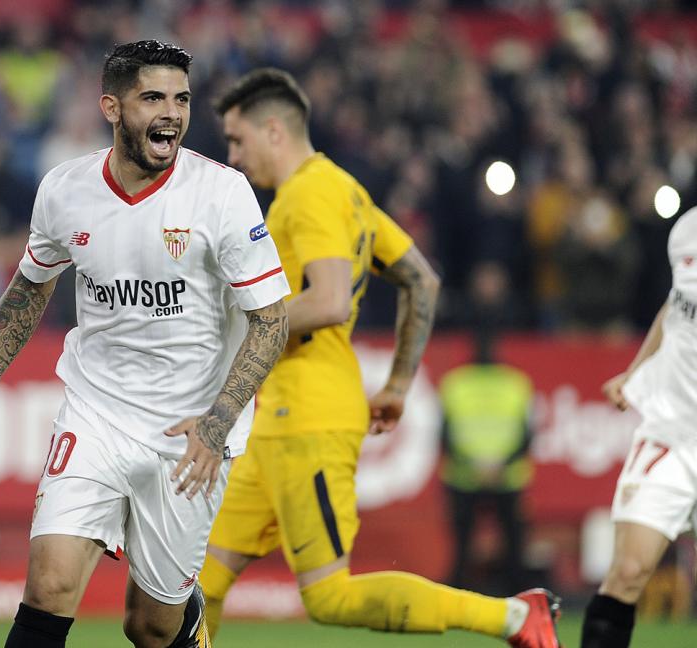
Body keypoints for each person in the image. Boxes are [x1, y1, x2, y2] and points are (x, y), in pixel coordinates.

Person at [0, 40, 290, 648]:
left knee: (149, 628)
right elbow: (30, 287)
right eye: (153, 98)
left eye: (181, 99)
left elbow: (271, 321)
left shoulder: (222, 193)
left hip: (190, 434)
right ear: (112, 108)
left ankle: (185, 615)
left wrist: (219, 420)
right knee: (49, 586)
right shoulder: (64, 189)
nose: (171, 113)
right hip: (96, 413)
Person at [199, 68, 561, 647]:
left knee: (328, 596)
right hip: (280, 421)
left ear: (274, 131)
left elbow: (330, 301)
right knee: (201, 579)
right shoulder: (346, 190)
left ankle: (515, 619)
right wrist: (396, 383)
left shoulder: (308, 194)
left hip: (310, 420)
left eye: (238, 140)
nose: (234, 158)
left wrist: (237, 321)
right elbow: (422, 280)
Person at [582, 205, 697, 647]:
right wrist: (635, 372)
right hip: (670, 431)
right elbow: (676, 305)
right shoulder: (687, 230)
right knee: (628, 571)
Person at [440, 323, 534, 594]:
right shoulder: (516, 383)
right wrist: (501, 464)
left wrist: (474, 465)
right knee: (513, 541)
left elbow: (445, 434)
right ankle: (518, 595)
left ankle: (458, 593)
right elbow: (528, 434)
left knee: (462, 543)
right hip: (507, 475)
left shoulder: (455, 383)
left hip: (464, 475)